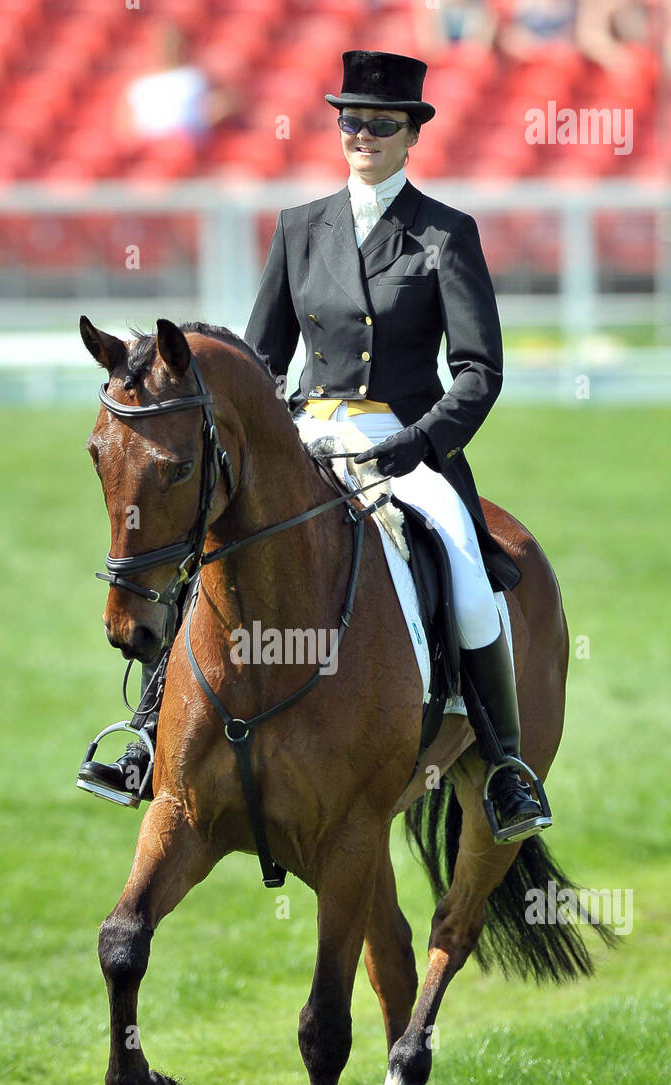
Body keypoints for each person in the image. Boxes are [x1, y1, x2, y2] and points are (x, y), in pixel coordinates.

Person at [79, 49, 550, 844]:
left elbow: (478, 371)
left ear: (411, 135)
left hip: (404, 442)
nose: (362, 134)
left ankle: (505, 768)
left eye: (381, 124)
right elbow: (261, 362)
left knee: (469, 576)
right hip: (305, 436)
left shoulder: (444, 234)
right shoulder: (300, 229)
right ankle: (146, 733)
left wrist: (419, 444)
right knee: (204, 549)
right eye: (351, 121)